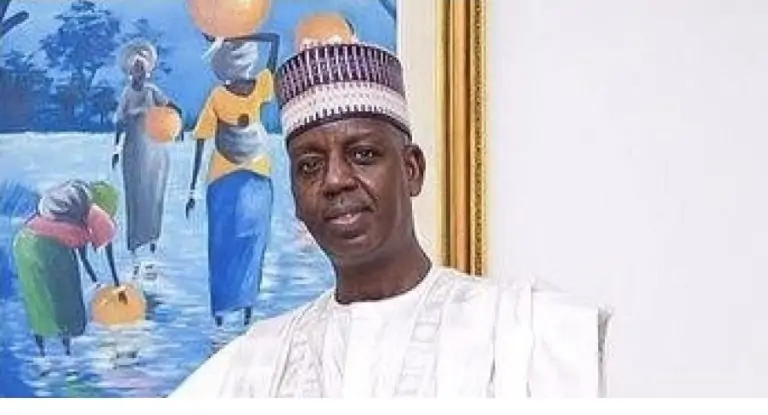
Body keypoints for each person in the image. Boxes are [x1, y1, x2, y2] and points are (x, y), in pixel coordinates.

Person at [171, 41, 610, 398]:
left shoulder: (526, 333)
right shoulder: (256, 364)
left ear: (412, 170)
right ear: (295, 194)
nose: (335, 180)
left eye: (363, 154)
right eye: (310, 165)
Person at [185, 32, 280, 328]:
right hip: (249, 176)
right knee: (248, 244)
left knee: (227, 245)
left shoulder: (224, 94)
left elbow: (202, 139)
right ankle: (240, 309)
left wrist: (193, 189)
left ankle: (226, 311)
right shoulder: (258, 87)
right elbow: (274, 40)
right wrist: (240, 34)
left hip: (235, 177)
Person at [13, 179, 124, 358]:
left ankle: (43, 355)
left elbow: (84, 253)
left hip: (24, 242)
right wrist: (118, 288)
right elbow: (104, 245)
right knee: (67, 305)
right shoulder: (95, 215)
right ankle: (67, 353)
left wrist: (96, 281)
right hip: (49, 248)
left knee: (38, 302)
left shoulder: (70, 203)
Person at [113, 39, 182, 265]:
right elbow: (119, 122)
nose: (139, 72)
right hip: (133, 148)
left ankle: (152, 238)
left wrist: (176, 127)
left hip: (154, 150)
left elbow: (173, 107)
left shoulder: (153, 91)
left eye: (142, 68)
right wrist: (116, 149)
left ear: (147, 71)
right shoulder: (126, 94)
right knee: (135, 193)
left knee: (153, 191)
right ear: (130, 71)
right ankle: (134, 242)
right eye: (135, 68)